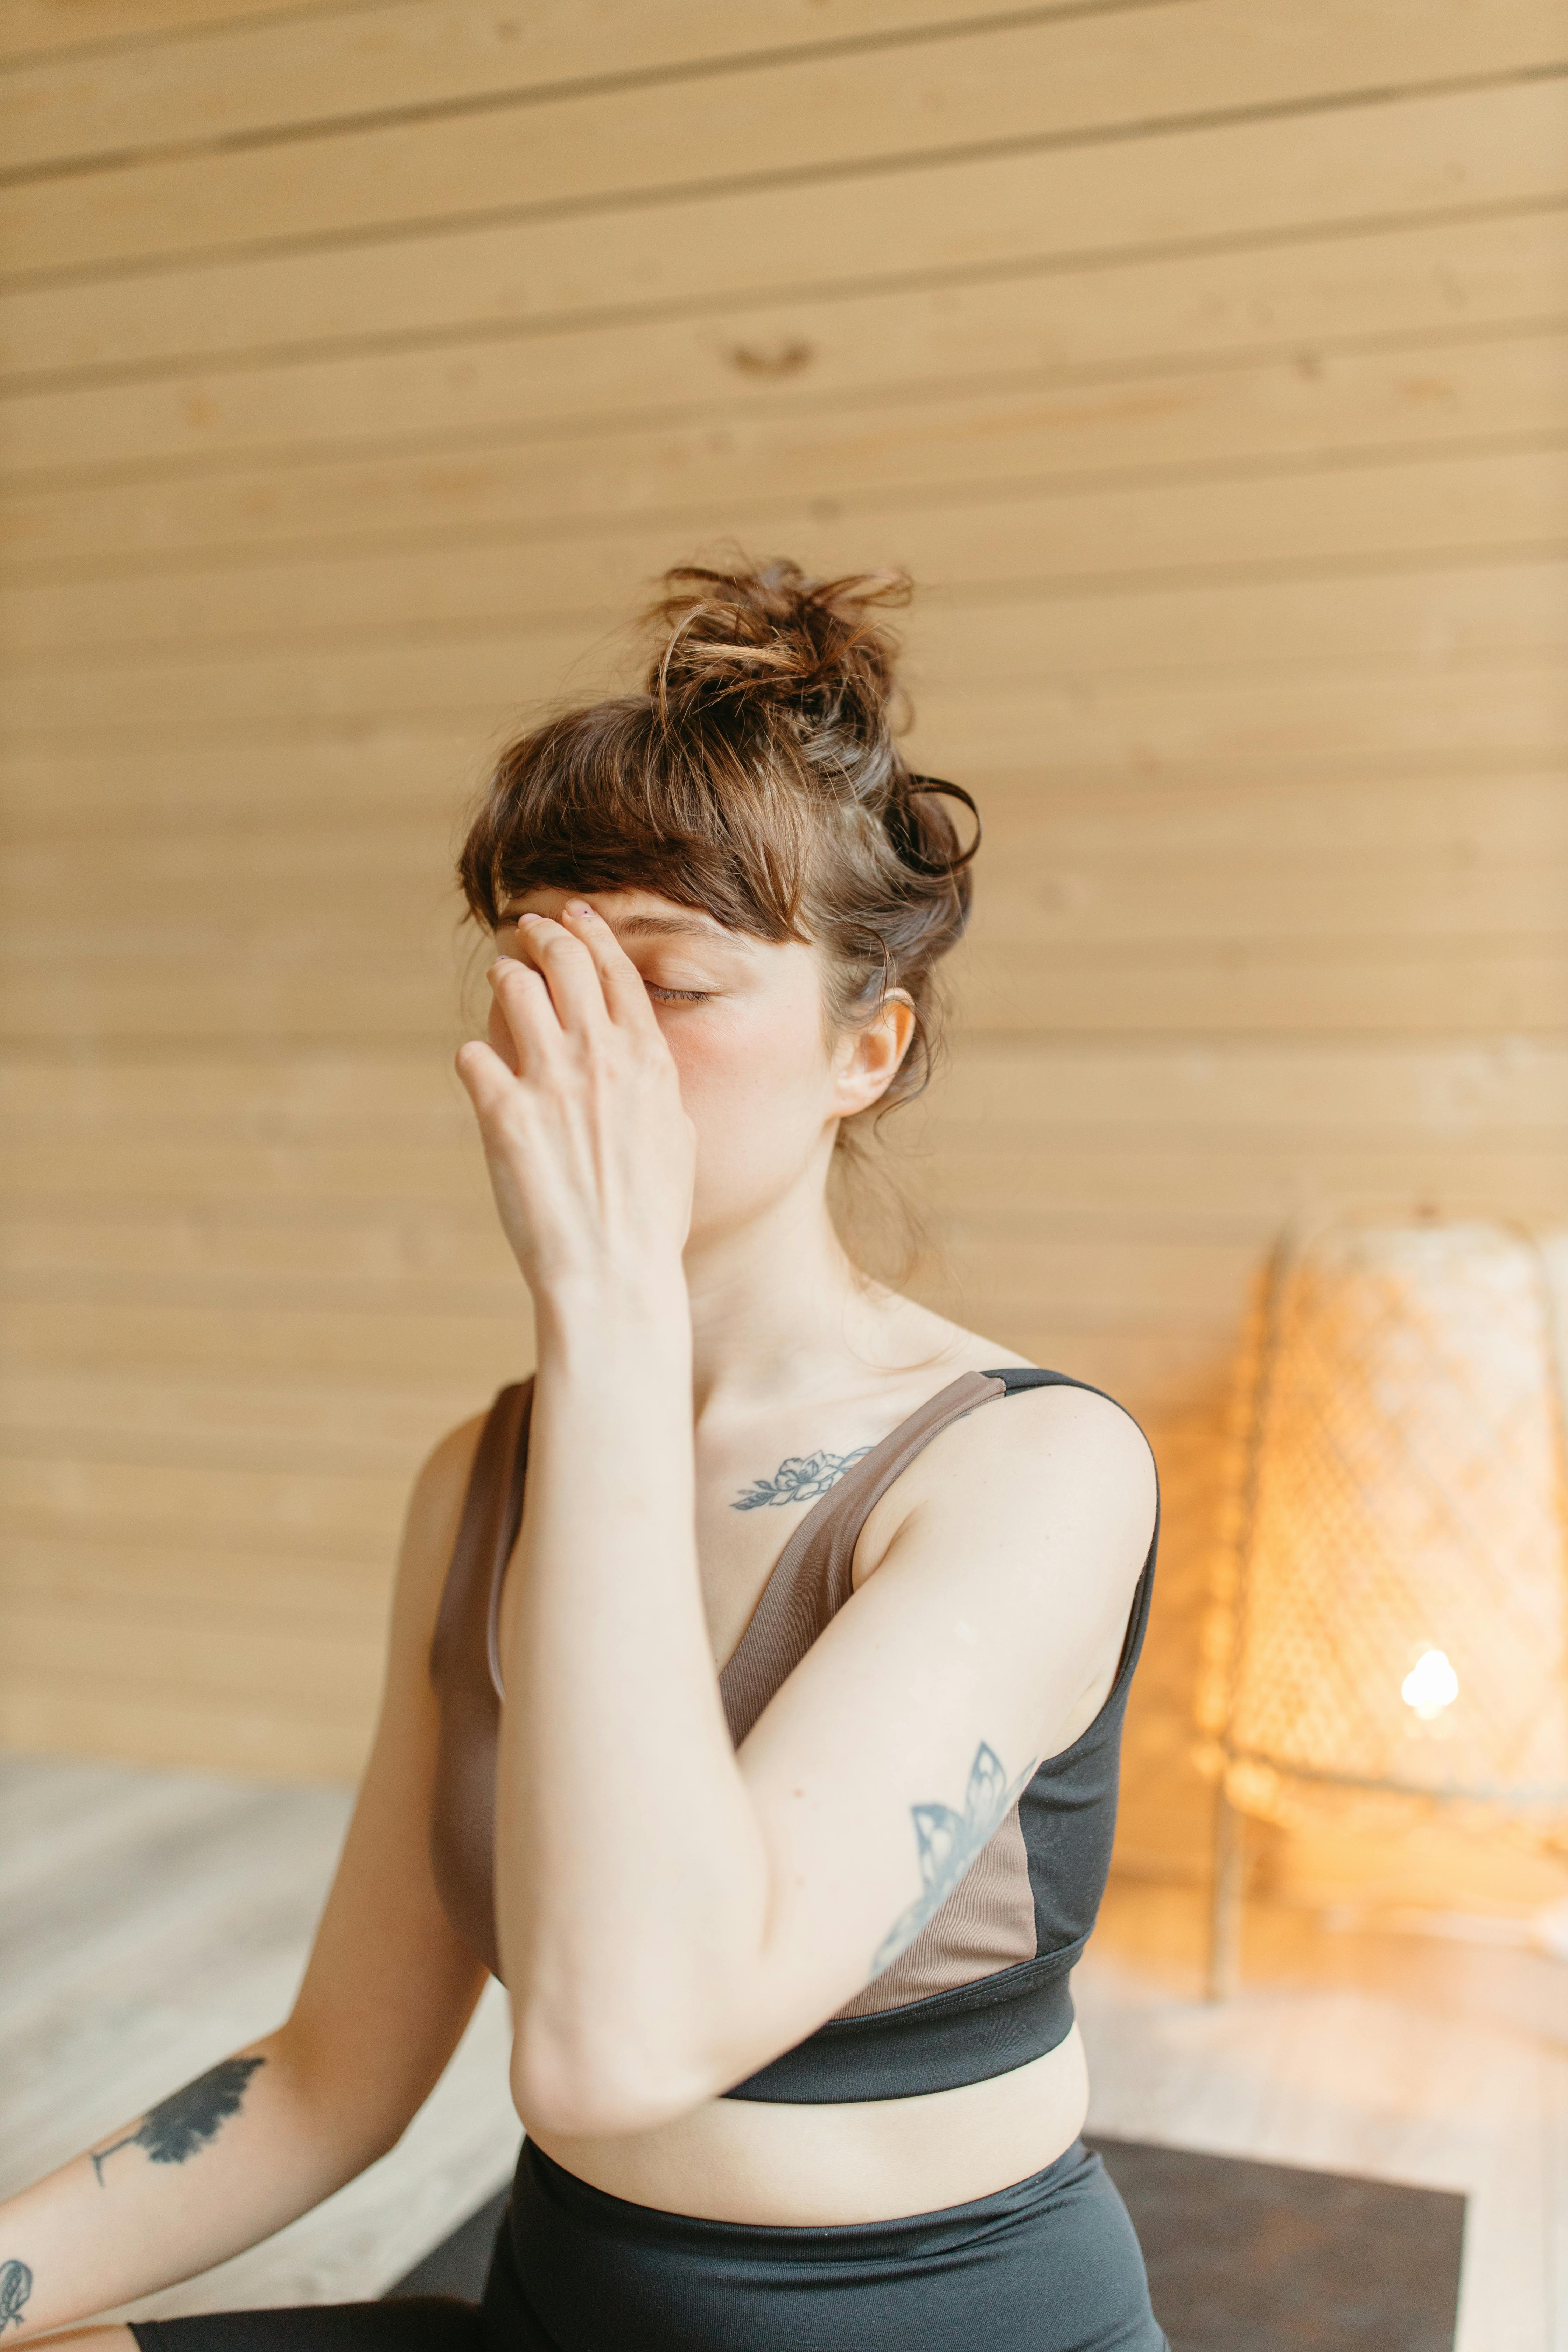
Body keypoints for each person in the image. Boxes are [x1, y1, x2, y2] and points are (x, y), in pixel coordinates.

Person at [0, 561, 1167, 2352]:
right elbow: (329, 2081)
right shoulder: (483, 1482)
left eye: (667, 985)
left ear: (867, 1047)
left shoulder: (1032, 1475)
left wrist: (609, 1313)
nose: (584, 1048)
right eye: (544, 978)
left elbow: (614, 2042)